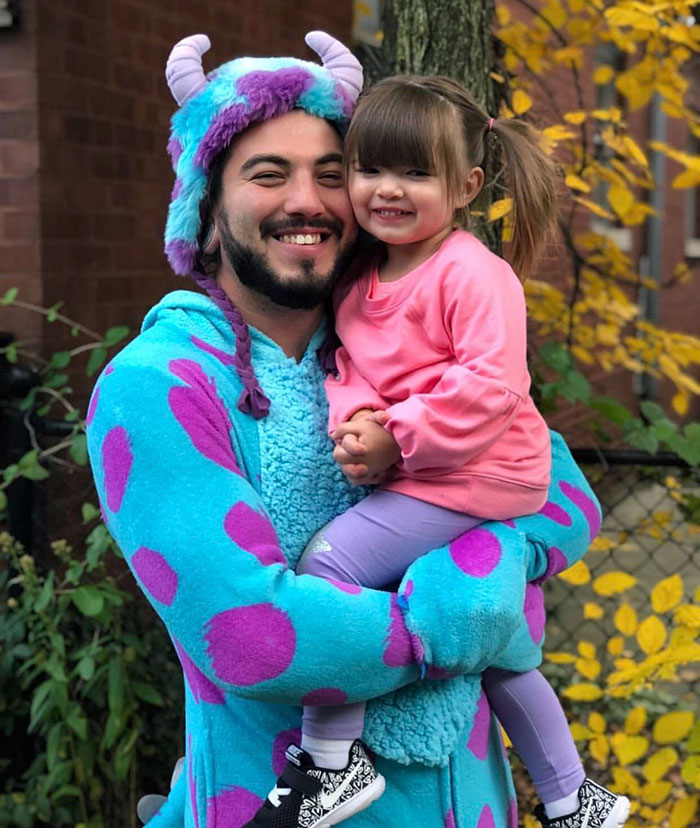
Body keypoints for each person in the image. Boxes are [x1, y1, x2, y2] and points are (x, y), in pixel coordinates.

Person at [85, 31, 604, 828]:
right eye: (268, 174)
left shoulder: (395, 337)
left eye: (333, 175)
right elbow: (252, 632)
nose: (310, 201)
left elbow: (562, 494)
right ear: (207, 214)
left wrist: (500, 560)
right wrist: (449, 621)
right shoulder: (160, 385)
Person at [243, 75, 628, 828]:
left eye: (415, 172)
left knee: (328, 565)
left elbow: (493, 384)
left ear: (466, 185)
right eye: (369, 169)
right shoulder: (360, 282)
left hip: (478, 475)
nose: (387, 190)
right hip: (441, 473)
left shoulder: (471, 273)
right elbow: (349, 366)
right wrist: (357, 425)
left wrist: (400, 436)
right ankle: (574, 797)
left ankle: (332, 759)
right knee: (502, 648)